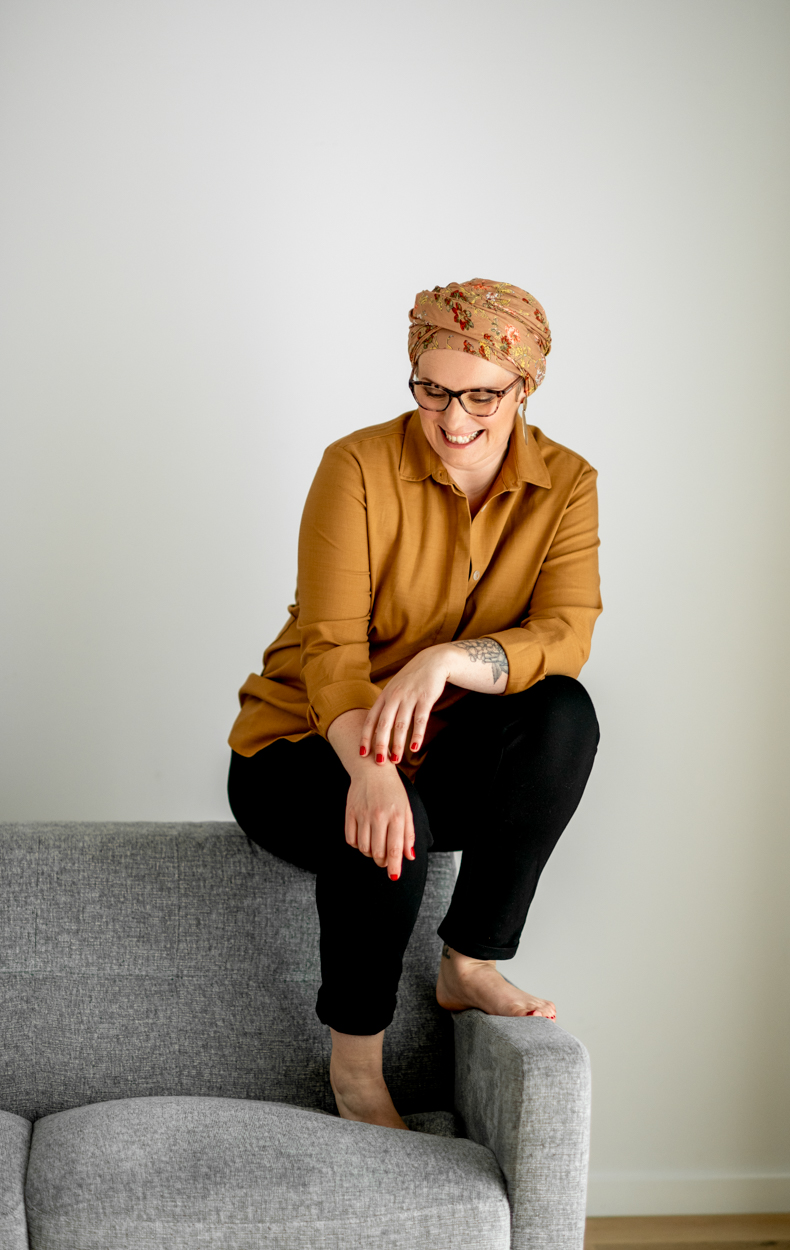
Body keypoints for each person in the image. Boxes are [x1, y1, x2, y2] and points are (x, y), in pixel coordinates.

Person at [227, 279, 602, 1130]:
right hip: (302, 747)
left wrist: (447, 660)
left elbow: (565, 633)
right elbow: (329, 647)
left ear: (524, 387)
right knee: (394, 828)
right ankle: (356, 1069)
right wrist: (371, 766)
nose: (453, 419)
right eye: (432, 390)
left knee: (563, 712)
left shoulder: (568, 483)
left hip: (444, 753)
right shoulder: (356, 466)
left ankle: (467, 963)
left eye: (481, 396)